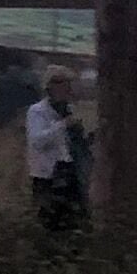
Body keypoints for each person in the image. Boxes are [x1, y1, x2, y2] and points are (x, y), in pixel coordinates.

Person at [25, 66, 90, 246]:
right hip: (47, 176)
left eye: (68, 84)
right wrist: (62, 125)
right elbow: (37, 141)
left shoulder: (68, 110)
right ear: (50, 86)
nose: (67, 89)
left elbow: (75, 145)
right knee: (49, 221)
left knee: (74, 220)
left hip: (70, 174)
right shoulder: (37, 111)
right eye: (61, 84)